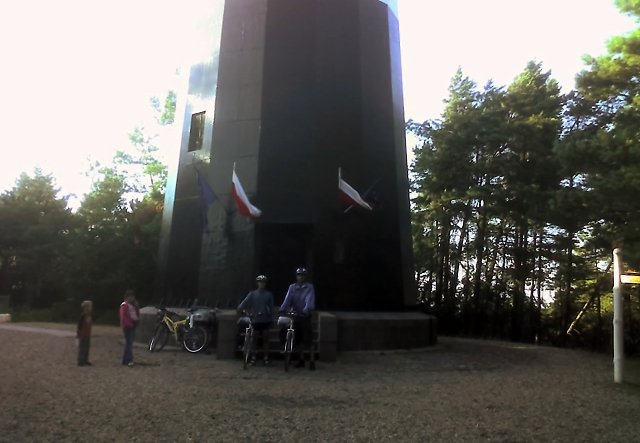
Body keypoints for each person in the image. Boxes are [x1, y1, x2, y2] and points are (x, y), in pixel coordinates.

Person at [279, 267, 316, 370]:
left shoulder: (309, 287)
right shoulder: (292, 287)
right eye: (299, 275)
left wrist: (306, 309)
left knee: (308, 339)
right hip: (295, 315)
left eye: (302, 275)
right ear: (296, 276)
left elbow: (309, 299)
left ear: (305, 277)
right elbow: (288, 298)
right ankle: (301, 360)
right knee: (297, 338)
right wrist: (283, 308)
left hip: (305, 315)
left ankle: (312, 361)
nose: (301, 277)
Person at [237, 274, 275, 365]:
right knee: (254, 338)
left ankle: (266, 357)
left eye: (263, 282)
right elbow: (244, 303)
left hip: (265, 319)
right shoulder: (252, 294)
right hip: (255, 319)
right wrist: (240, 309)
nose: (261, 284)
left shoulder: (269, 295)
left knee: (266, 338)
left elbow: (271, 308)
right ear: (257, 283)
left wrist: (272, 318)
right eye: (260, 282)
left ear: (265, 283)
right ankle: (253, 357)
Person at [119, 290, 139, 367]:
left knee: (129, 343)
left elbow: (136, 314)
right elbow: (123, 317)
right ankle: (129, 360)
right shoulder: (124, 306)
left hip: (133, 325)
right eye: (131, 297)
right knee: (129, 344)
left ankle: (125, 359)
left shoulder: (133, 305)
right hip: (128, 326)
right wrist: (128, 324)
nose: (132, 298)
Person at [76, 300, 93, 366]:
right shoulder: (83, 315)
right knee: (82, 347)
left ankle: (85, 360)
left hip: (87, 333)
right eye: (90, 306)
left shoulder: (89, 315)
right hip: (83, 334)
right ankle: (80, 361)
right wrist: (78, 333)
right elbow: (79, 325)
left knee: (87, 347)